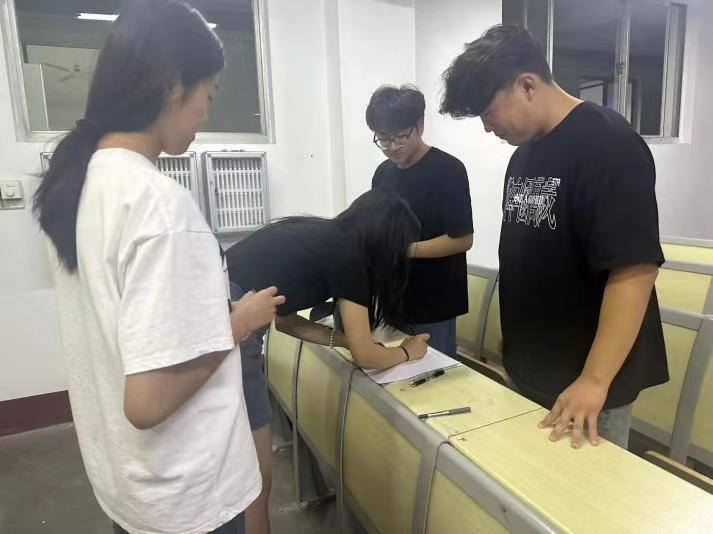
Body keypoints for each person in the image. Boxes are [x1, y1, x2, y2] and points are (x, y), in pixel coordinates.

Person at [33, 1, 284, 533]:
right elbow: (147, 401)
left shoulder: (82, 185)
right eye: (208, 95)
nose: (206, 114)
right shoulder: (159, 207)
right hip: (189, 495)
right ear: (173, 87)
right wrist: (237, 324)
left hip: (131, 483)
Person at [440, 25, 668, 449]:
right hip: (531, 368)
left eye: (488, 112)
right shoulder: (524, 154)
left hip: (585, 385)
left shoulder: (609, 144)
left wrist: (594, 380)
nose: (488, 128)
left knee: (587, 489)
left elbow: (634, 271)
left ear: (527, 85)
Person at [226, 188, 431, 371]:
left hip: (225, 303)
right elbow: (365, 356)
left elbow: (286, 322)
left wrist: (345, 341)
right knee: (249, 400)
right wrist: (407, 352)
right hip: (236, 314)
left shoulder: (322, 234)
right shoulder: (351, 259)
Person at [366, 85, 474, 357]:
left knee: (434, 373)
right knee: (395, 370)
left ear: (420, 125)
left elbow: (462, 239)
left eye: (400, 137)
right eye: (383, 139)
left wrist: (405, 250)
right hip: (394, 297)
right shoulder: (383, 174)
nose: (392, 147)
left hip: (434, 301)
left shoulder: (448, 170)